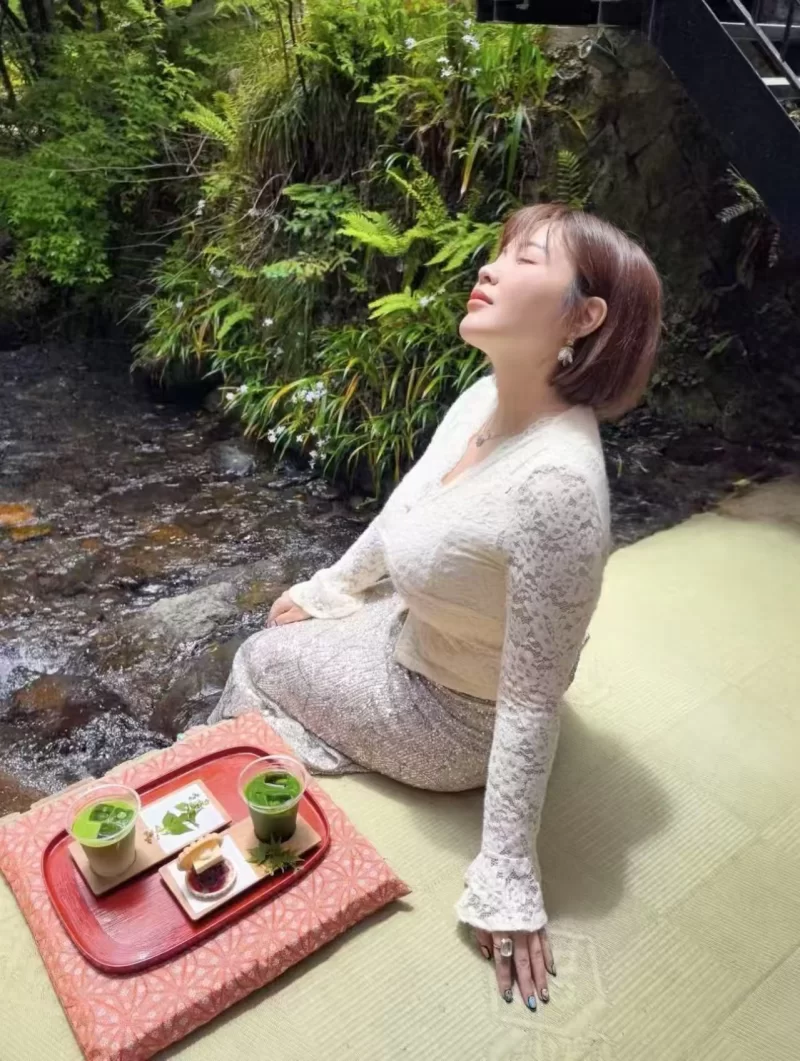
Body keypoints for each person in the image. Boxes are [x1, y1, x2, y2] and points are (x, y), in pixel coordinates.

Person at [210, 203, 662, 1011]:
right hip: (413, 633)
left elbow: (531, 700)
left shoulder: (558, 486)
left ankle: (238, 821)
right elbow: (404, 512)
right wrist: (331, 588)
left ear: (583, 318)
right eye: (499, 251)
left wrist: (507, 876)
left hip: (455, 718)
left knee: (256, 657)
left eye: (526, 259)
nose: (490, 267)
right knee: (289, 626)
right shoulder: (482, 397)